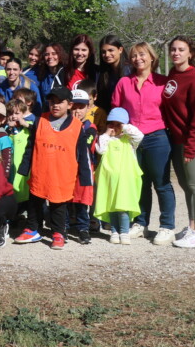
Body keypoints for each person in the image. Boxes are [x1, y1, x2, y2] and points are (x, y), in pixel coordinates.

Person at [111, 42, 176, 243]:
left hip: (157, 137)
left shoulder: (162, 82)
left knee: (161, 183)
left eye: (142, 54)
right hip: (131, 139)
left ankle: (167, 226)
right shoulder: (124, 82)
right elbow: (116, 109)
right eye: (134, 56)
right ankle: (141, 223)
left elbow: (172, 110)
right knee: (139, 183)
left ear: (151, 57)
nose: (138, 58)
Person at [15, 86, 94, 250]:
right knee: (35, 202)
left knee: (59, 205)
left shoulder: (77, 126)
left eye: (60, 102)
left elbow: (83, 154)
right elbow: (30, 147)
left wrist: (85, 177)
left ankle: (58, 233)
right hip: (40, 172)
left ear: (69, 104)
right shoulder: (39, 121)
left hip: (63, 175)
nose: (55, 105)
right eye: (52, 102)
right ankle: (32, 229)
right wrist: (24, 168)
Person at [162, 36, 195, 249]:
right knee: (186, 186)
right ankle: (192, 228)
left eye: (181, 49)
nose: (176, 53)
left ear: (190, 53)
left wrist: (192, 146)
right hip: (177, 140)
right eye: (173, 49)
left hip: (193, 142)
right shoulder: (172, 74)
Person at [93, 108, 144, 245]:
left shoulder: (130, 140)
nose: (114, 127)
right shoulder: (106, 139)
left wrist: (124, 127)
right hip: (109, 180)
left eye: (118, 124)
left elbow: (140, 135)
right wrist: (106, 134)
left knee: (123, 206)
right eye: (112, 124)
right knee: (111, 206)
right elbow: (100, 149)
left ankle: (124, 231)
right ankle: (114, 231)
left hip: (125, 180)